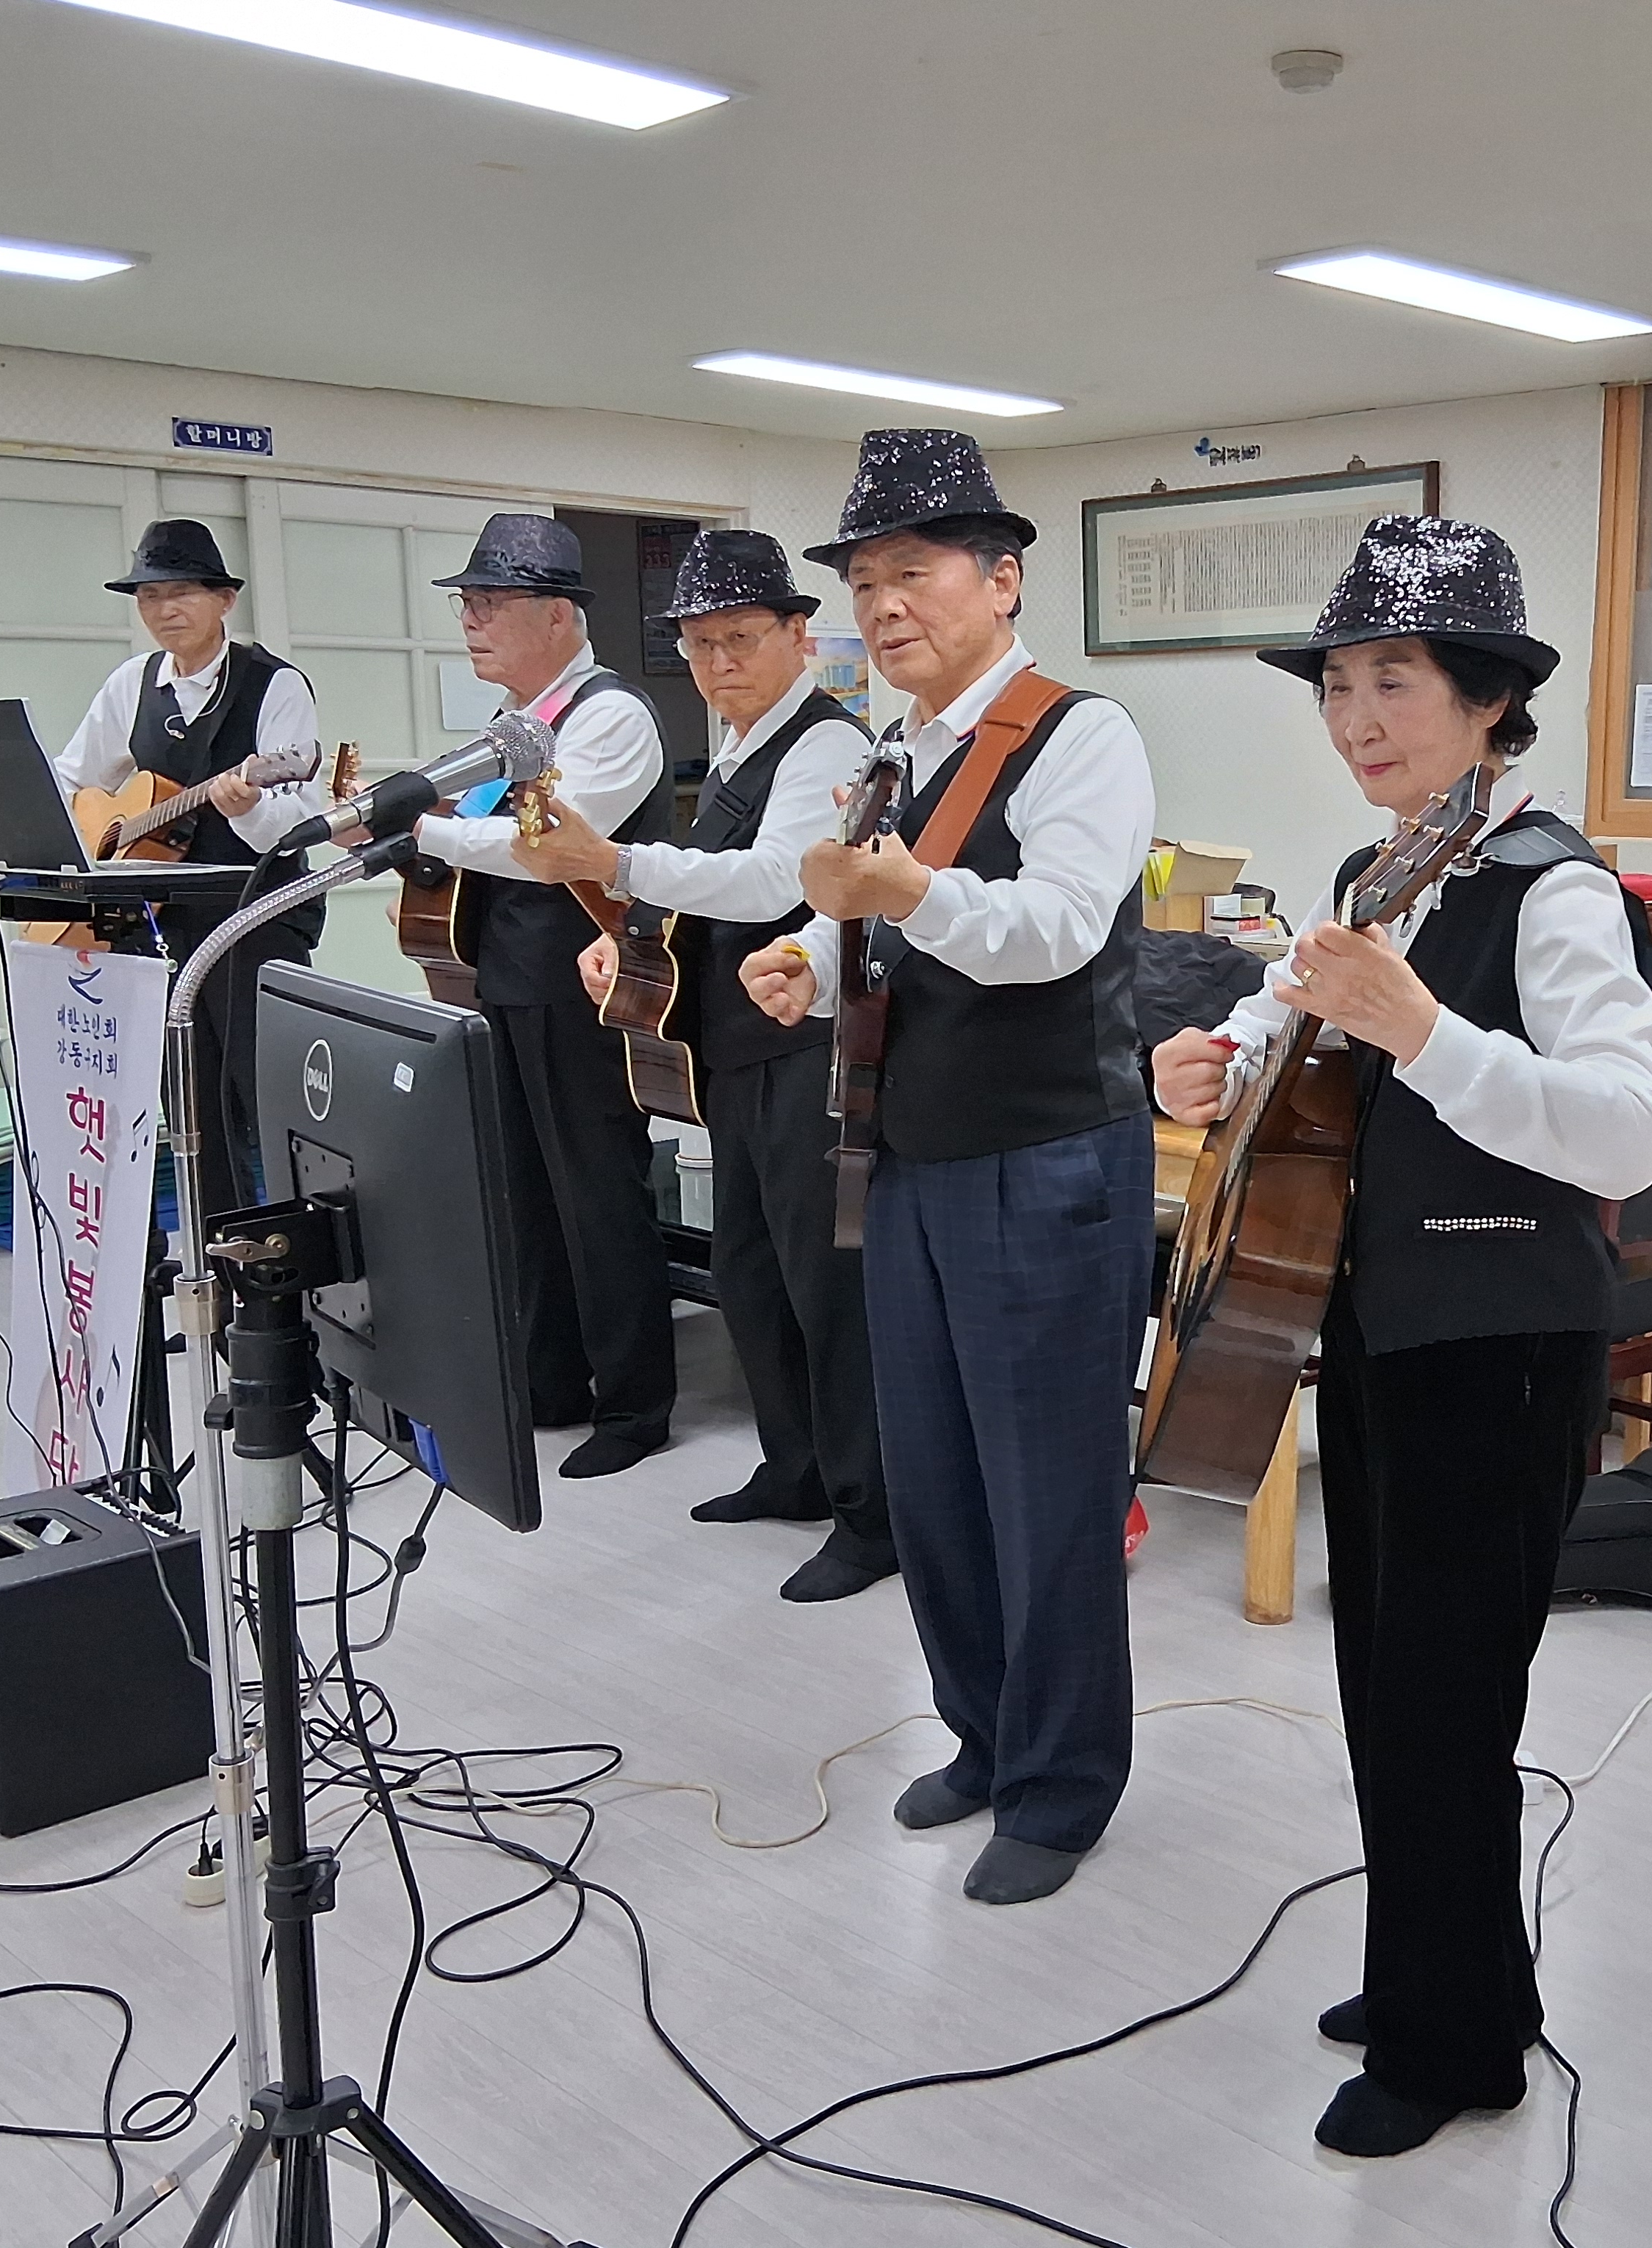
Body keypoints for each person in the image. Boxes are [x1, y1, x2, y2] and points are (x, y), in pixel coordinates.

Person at [1155, 516, 1652, 2157]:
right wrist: (1214, 1063)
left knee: (1450, 1700)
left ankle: (1461, 2051)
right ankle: (1444, 1971)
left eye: (1395, 680)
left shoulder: (1554, 889)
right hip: (1378, 1328)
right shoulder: (1384, 873)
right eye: (1339, 685)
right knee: (1384, 1680)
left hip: (1502, 1344)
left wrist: (1434, 1035)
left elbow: (1629, 1138)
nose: (1358, 716)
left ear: (1486, 698)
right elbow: (1296, 1043)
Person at [741, 429, 1155, 1906]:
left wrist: (904, 889)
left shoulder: (1076, 732)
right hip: (911, 1152)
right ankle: (983, 1733)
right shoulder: (892, 751)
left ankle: (1060, 1782)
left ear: (1002, 579)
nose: (882, 607)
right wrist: (804, 952)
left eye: (910, 575)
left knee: (1047, 1489)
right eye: (862, 584)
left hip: (1044, 1158)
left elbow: (1053, 926)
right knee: (935, 1477)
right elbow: (866, 916)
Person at [511, 530, 892, 1600]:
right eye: (699, 642)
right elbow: (707, 883)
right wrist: (627, 932)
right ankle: (797, 1466)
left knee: (827, 1284)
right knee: (751, 1272)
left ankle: (873, 1518)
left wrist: (613, 862)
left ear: (798, 636)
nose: (719, 662)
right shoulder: (733, 745)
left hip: (808, 1049)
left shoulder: (826, 744)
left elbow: (775, 880)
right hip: (734, 1049)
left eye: (741, 638)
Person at [408, 514, 678, 1481]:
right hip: (506, 980)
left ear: (561, 616)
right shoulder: (510, 728)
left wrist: (429, 833)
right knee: (523, 1189)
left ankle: (636, 1401)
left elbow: (545, 846)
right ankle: (550, 1377)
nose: (471, 623)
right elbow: (477, 824)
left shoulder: (611, 715)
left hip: (582, 985)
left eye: (491, 604)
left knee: (597, 1187)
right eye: (467, 605)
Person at [56, 518, 330, 1215]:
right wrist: (95, 835)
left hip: (256, 916)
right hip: (161, 921)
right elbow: (72, 777)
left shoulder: (275, 686)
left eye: (181, 593)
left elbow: (298, 821)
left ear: (225, 600)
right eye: (149, 597)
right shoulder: (131, 683)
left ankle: (292, 1278)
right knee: (190, 1107)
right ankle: (217, 1275)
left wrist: (241, 807)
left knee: (265, 1094)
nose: (164, 610)